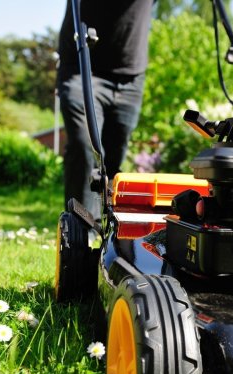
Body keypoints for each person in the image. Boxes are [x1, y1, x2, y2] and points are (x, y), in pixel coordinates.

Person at [57, 0, 154, 220]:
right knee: (85, 144)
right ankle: (81, 229)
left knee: (114, 160)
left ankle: (110, 229)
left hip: (130, 75)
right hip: (82, 65)